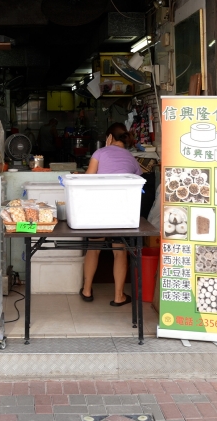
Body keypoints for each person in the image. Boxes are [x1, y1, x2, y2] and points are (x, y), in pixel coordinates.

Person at [80, 123, 141, 306]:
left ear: (109, 137)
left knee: (94, 247)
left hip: (99, 209)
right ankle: (119, 296)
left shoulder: (100, 153)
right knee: (120, 250)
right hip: (123, 211)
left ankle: (87, 290)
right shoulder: (132, 159)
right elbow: (138, 181)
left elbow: (88, 179)